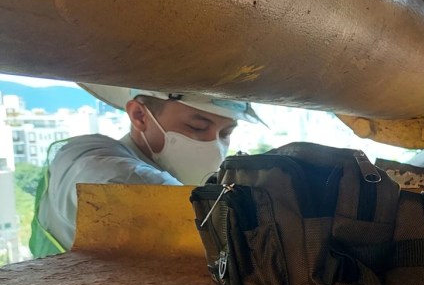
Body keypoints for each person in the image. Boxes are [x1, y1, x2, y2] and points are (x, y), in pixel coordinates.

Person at [30, 84, 261, 256]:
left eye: (226, 133)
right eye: (197, 127)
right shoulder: (92, 161)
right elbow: (126, 181)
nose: (215, 146)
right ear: (140, 116)